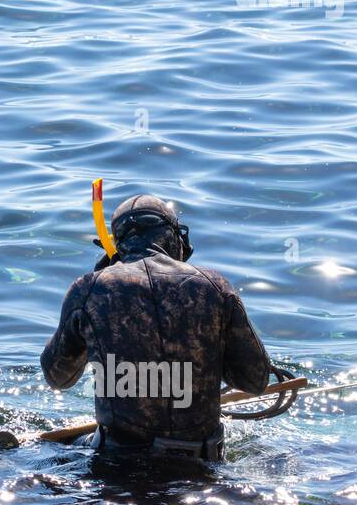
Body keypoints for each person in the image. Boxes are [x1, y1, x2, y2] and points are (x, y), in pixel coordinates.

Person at [40, 194, 272, 460]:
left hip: (119, 466)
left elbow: (57, 377)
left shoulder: (90, 289)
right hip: (202, 465)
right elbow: (256, 381)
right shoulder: (216, 287)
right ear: (176, 238)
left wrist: (89, 306)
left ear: (116, 246)